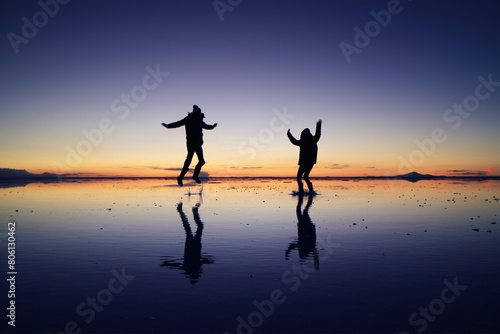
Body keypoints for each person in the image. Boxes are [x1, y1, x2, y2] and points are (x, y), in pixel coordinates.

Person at [162, 105, 217, 186]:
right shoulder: (189, 119)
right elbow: (178, 123)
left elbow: (206, 126)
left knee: (201, 161)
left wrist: (212, 126)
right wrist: (168, 126)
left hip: (198, 144)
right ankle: (181, 177)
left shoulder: (199, 120)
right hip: (191, 143)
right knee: (189, 160)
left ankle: (194, 176)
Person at [287, 119, 322, 194]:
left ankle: (308, 191)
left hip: (308, 162)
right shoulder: (302, 142)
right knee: (302, 177)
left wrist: (318, 126)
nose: (302, 135)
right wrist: (289, 134)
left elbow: (318, 134)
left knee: (302, 177)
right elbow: (294, 141)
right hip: (305, 162)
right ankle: (304, 191)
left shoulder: (313, 140)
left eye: (303, 134)